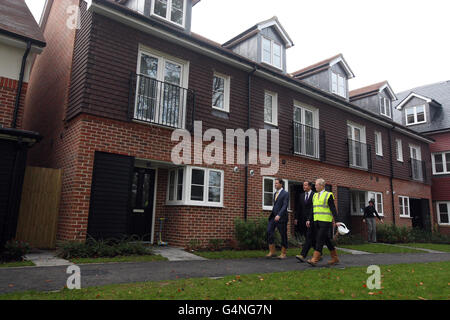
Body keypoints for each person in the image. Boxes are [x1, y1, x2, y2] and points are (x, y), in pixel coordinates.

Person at [307, 178, 342, 267]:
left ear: (322, 186)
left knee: (319, 239)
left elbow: (333, 208)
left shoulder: (328, 195)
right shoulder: (314, 195)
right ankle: (335, 258)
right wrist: (308, 219)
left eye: (316, 184)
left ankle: (315, 258)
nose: (315, 186)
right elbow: (312, 209)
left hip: (325, 222)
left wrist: (337, 221)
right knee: (326, 240)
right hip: (316, 221)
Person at [266, 178, 289, 259]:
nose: (275, 184)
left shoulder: (285, 194)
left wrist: (279, 215)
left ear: (281, 184)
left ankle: (283, 253)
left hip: (281, 217)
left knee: (283, 235)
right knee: (269, 231)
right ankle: (272, 252)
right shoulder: (275, 193)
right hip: (273, 217)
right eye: (274, 183)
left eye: (276, 183)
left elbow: (285, 205)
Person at [295, 181, 316, 262]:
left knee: (309, 236)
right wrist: (296, 218)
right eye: (303, 185)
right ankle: (318, 253)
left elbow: (313, 208)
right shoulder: (301, 195)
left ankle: (303, 255)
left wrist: (309, 219)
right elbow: (299, 208)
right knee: (310, 237)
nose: (304, 186)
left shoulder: (314, 195)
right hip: (302, 219)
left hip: (311, 219)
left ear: (310, 186)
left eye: (306, 185)